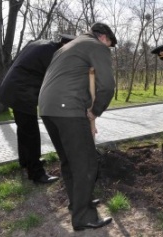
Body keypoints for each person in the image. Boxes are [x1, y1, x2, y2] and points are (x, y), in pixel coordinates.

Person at [38, 22, 117, 231]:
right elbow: (108, 85)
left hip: (47, 109)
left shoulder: (68, 47)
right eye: (109, 44)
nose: (108, 48)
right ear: (103, 38)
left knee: (69, 161)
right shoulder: (96, 46)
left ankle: (78, 203)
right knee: (87, 163)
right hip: (69, 110)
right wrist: (95, 111)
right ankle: (83, 217)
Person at [0, 34, 76, 184]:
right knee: (31, 134)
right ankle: (37, 174)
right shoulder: (54, 55)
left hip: (13, 88)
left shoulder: (42, 44)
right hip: (21, 93)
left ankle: (26, 162)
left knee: (24, 130)